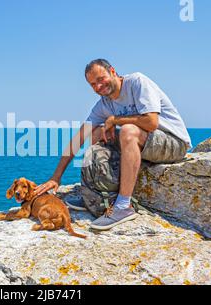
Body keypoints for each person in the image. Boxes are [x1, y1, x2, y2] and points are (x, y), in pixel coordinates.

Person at [34, 58, 192, 230]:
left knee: (127, 130)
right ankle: (94, 194)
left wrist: (115, 120)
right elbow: (80, 137)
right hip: (146, 143)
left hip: (173, 143)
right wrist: (56, 177)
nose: (98, 87)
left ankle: (123, 206)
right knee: (95, 132)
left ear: (113, 72)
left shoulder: (136, 82)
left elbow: (151, 122)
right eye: (93, 84)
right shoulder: (104, 104)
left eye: (101, 79)